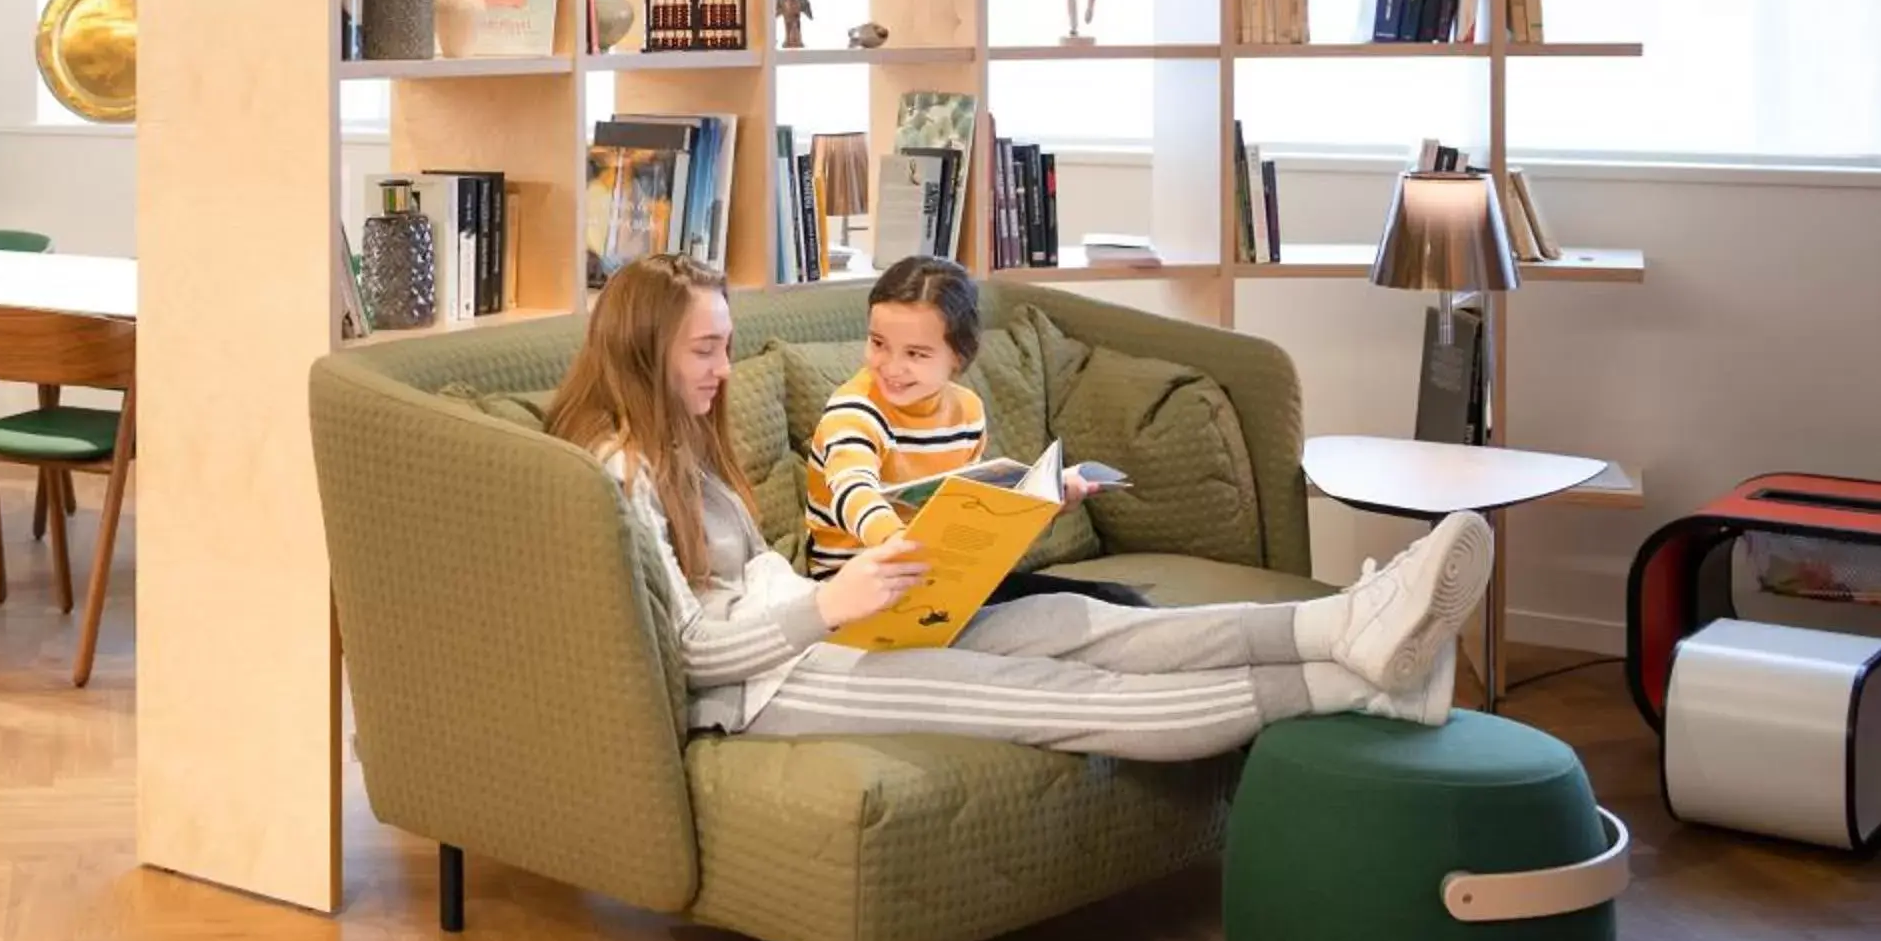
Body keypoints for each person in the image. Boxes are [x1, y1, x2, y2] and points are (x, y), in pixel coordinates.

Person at [541, 254, 1491, 761]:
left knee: (1075, 622)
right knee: (1060, 696)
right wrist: (829, 602)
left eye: (725, 345)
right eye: (706, 351)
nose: (723, 369)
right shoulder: (615, 474)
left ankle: (1346, 620)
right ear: (640, 350)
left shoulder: (681, 444)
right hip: (769, 685)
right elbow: (688, 654)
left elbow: (752, 580)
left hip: (826, 631)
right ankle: (1369, 687)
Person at [802, 254, 1101, 580]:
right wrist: (893, 540)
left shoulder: (967, 412)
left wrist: (1043, 504)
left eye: (915, 353)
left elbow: (967, 510)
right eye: (878, 343)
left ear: (959, 356)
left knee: (1094, 600)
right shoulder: (854, 410)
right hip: (854, 583)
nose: (890, 367)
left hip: (938, 577)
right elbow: (853, 490)